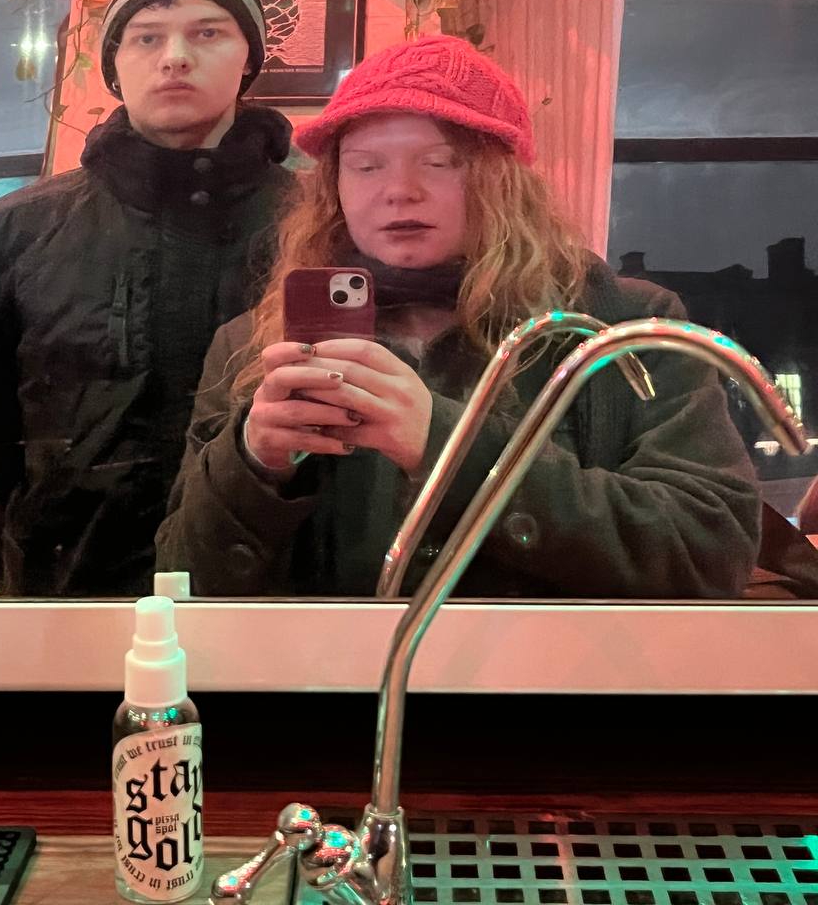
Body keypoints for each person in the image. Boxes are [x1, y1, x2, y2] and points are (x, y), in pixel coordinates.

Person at [155, 34, 761, 599]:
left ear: (502, 182)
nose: (400, 190)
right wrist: (253, 467)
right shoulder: (257, 342)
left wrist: (445, 445)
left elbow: (708, 553)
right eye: (366, 166)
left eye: (440, 162)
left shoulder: (622, 324)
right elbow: (180, 583)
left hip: (550, 676)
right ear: (335, 186)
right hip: (332, 678)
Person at [0, 0, 295, 596]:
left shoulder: (321, 229)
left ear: (249, 57)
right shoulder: (5, 239)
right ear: (113, 65)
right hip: (72, 597)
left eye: (208, 32)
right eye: (147, 37)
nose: (175, 56)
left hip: (280, 600)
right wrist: (20, 580)